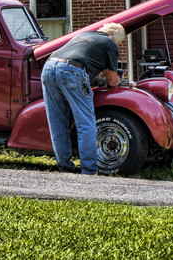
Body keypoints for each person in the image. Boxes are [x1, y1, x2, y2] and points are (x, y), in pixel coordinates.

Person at [41, 23, 125, 175]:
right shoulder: (110, 43)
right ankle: (89, 169)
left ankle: (64, 166)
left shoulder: (83, 35)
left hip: (49, 67)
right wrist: (120, 80)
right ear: (114, 37)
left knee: (57, 121)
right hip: (72, 71)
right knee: (85, 123)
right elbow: (112, 81)